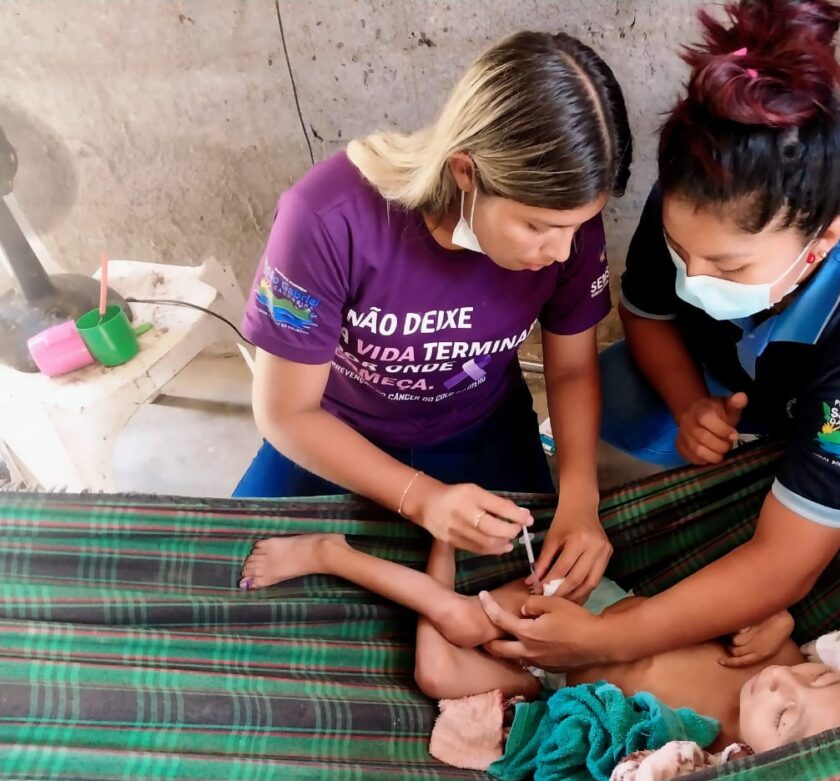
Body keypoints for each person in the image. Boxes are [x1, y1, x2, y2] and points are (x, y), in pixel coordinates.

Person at [478, 0, 840, 668]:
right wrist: (688, 403)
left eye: (727, 267)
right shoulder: (694, 198)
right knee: (590, 442)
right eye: (683, 250)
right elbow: (650, 314)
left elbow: (785, 563)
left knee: (828, 561)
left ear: (822, 241)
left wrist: (611, 637)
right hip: (738, 381)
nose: (695, 278)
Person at [233, 31, 632, 602]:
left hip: (480, 429)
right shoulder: (327, 219)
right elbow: (285, 412)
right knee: (227, 572)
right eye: (538, 228)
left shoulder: (567, 229)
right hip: (334, 432)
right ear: (465, 172)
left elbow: (569, 371)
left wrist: (579, 500)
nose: (562, 252)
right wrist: (419, 498)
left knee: (535, 595)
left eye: (576, 227)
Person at [245, 531, 840, 753]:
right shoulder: (784, 660)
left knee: (436, 672)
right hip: (593, 610)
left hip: (556, 682)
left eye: (786, 714)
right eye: (820, 678)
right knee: (467, 625)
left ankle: (438, 552)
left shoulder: (718, 761)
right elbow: (772, 607)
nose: (788, 685)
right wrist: (783, 623)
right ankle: (332, 553)